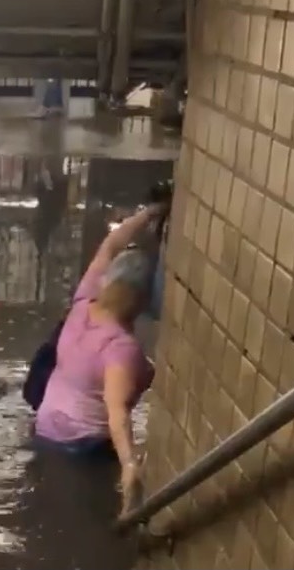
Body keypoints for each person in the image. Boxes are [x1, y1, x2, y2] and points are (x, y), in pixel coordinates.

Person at [32, 202, 169, 516]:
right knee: (86, 510)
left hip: (45, 428)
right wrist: (130, 465)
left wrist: (148, 214)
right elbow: (117, 412)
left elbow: (111, 244)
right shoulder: (120, 348)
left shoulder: (83, 302)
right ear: (145, 300)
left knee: (50, 505)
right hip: (84, 446)